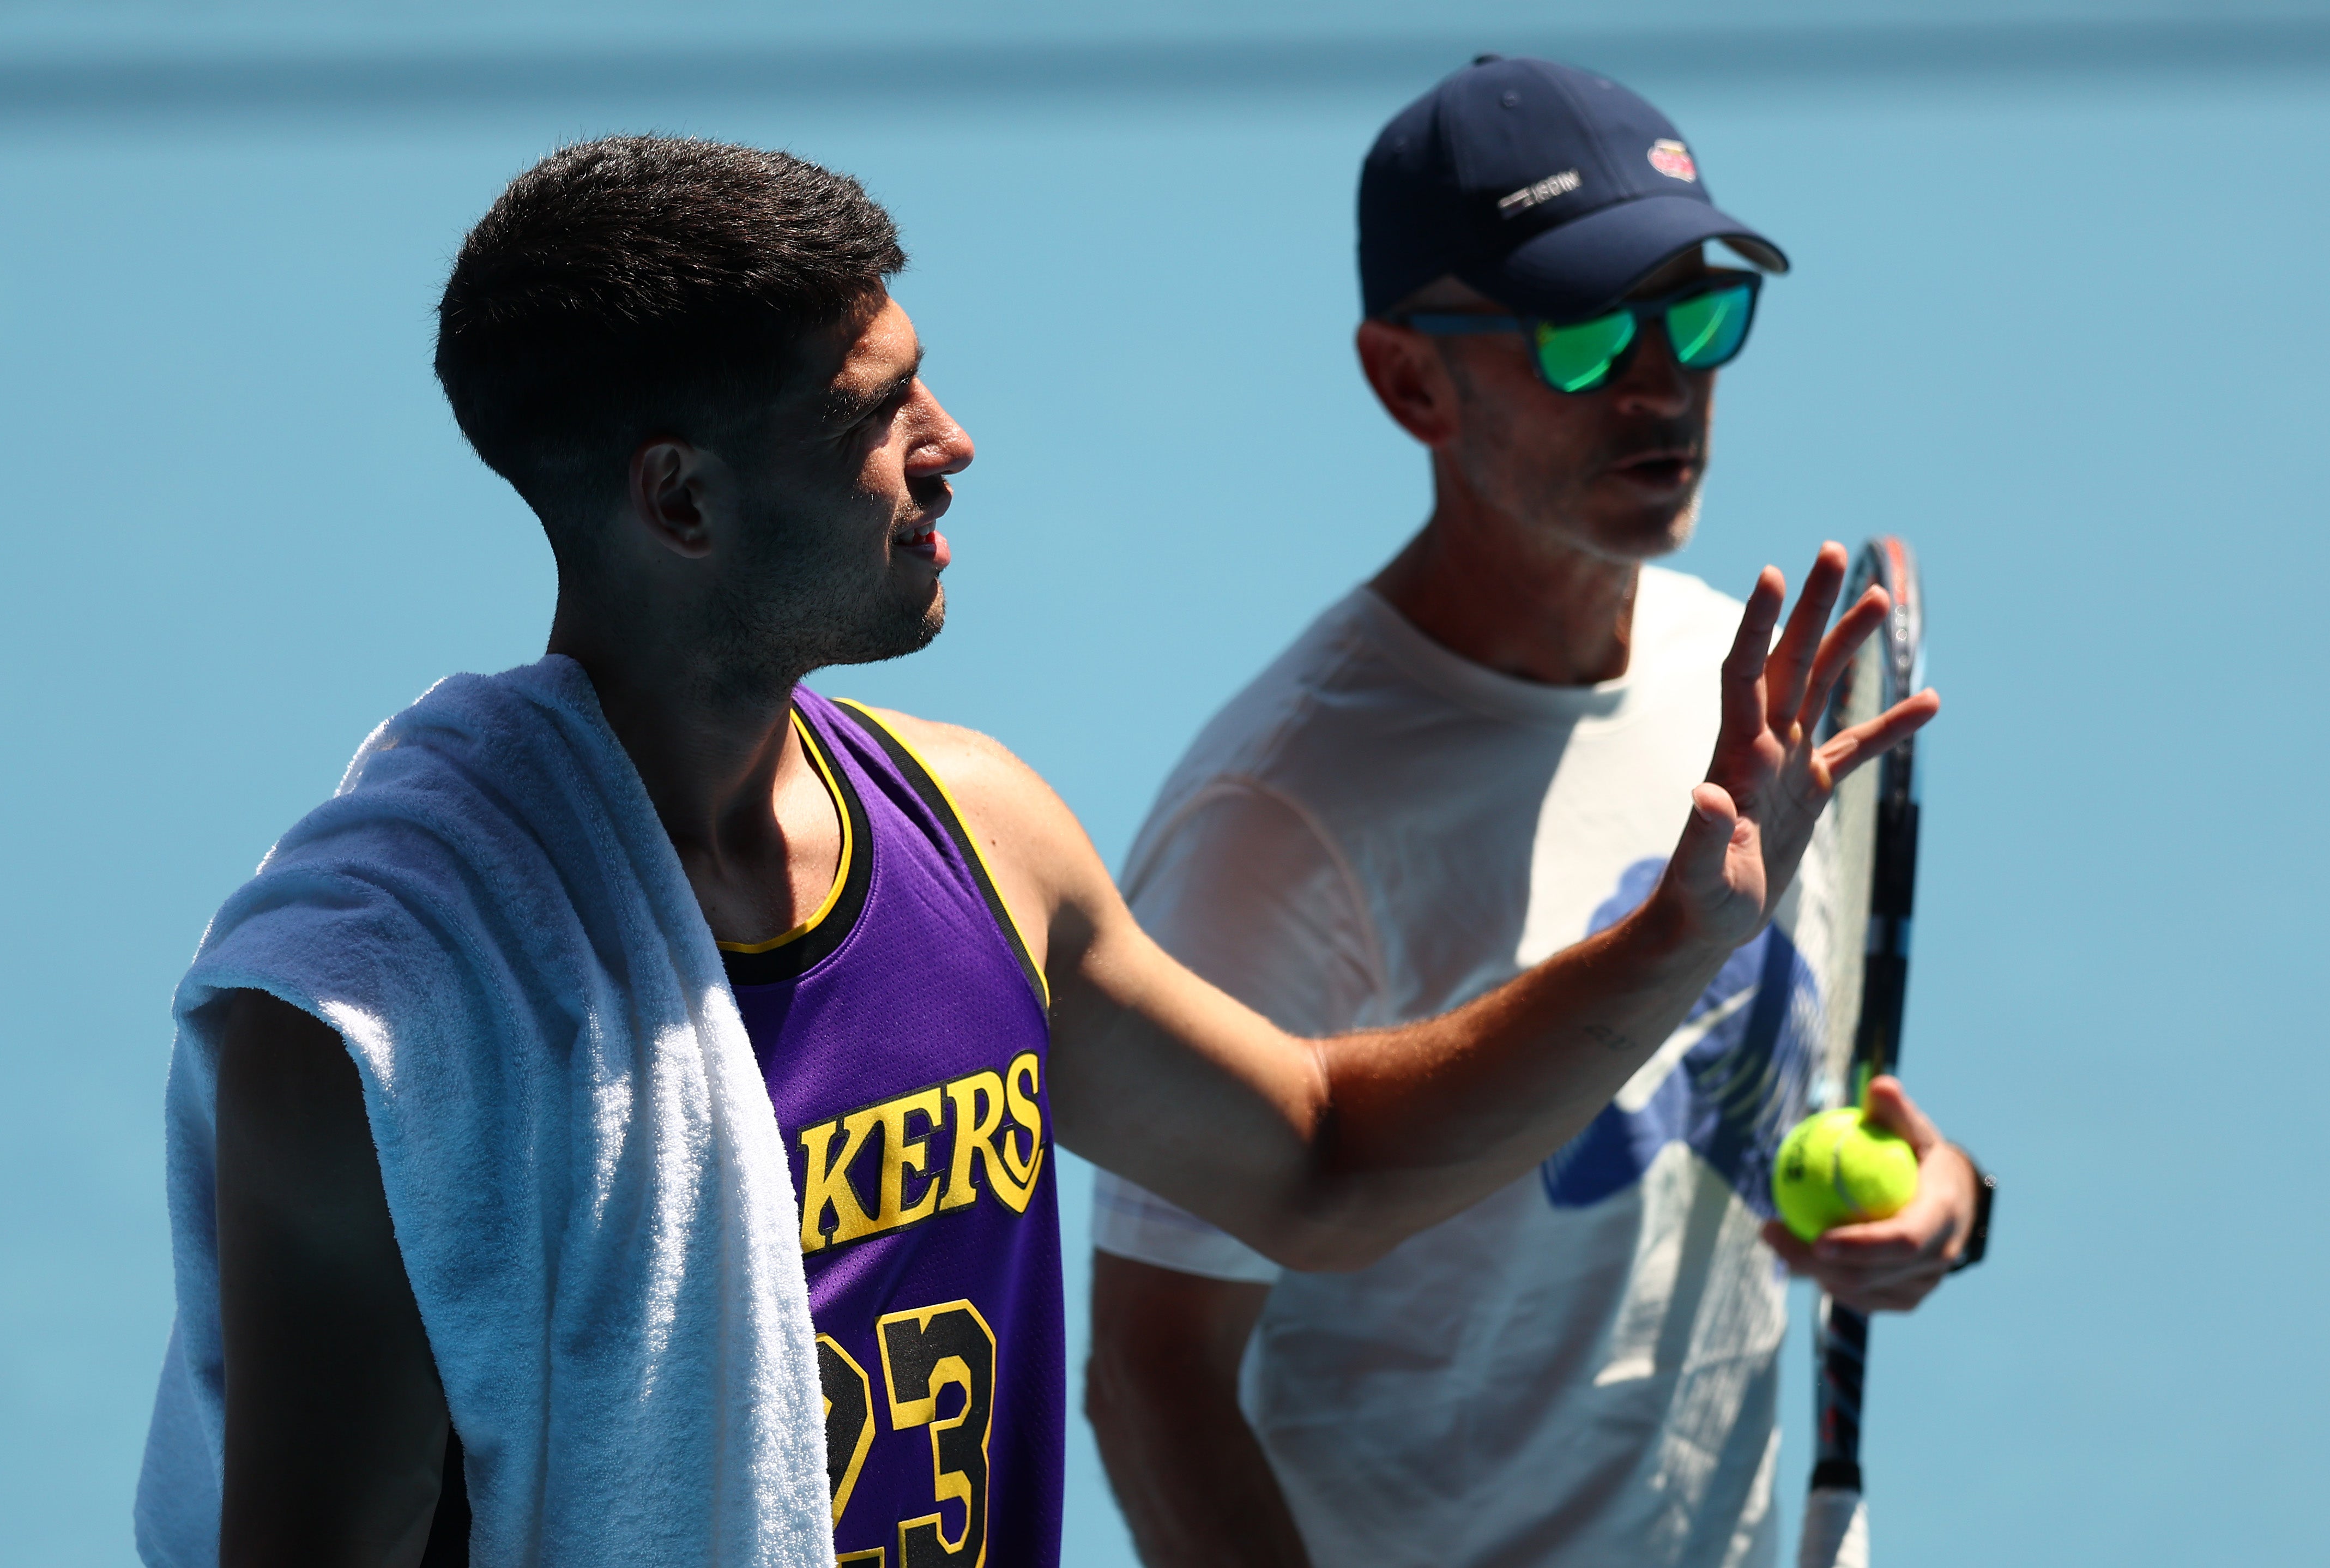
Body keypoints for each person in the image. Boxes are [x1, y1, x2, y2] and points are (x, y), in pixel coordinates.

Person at [132, 135, 1933, 1568]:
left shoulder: (977, 836)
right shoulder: (386, 1027)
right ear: (678, 501)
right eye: (872, 416)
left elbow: (1317, 1164)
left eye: (928, 381)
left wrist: (1683, 932)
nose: (953, 445)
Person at [1086, 56, 1988, 1568]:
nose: (1659, 382)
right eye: (1579, 335)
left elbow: (1746, 1099)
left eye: (1698, 315)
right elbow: (1150, 1368)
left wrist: (1940, 1202)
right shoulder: (1273, 819)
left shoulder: (1748, 695)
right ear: (1407, 380)